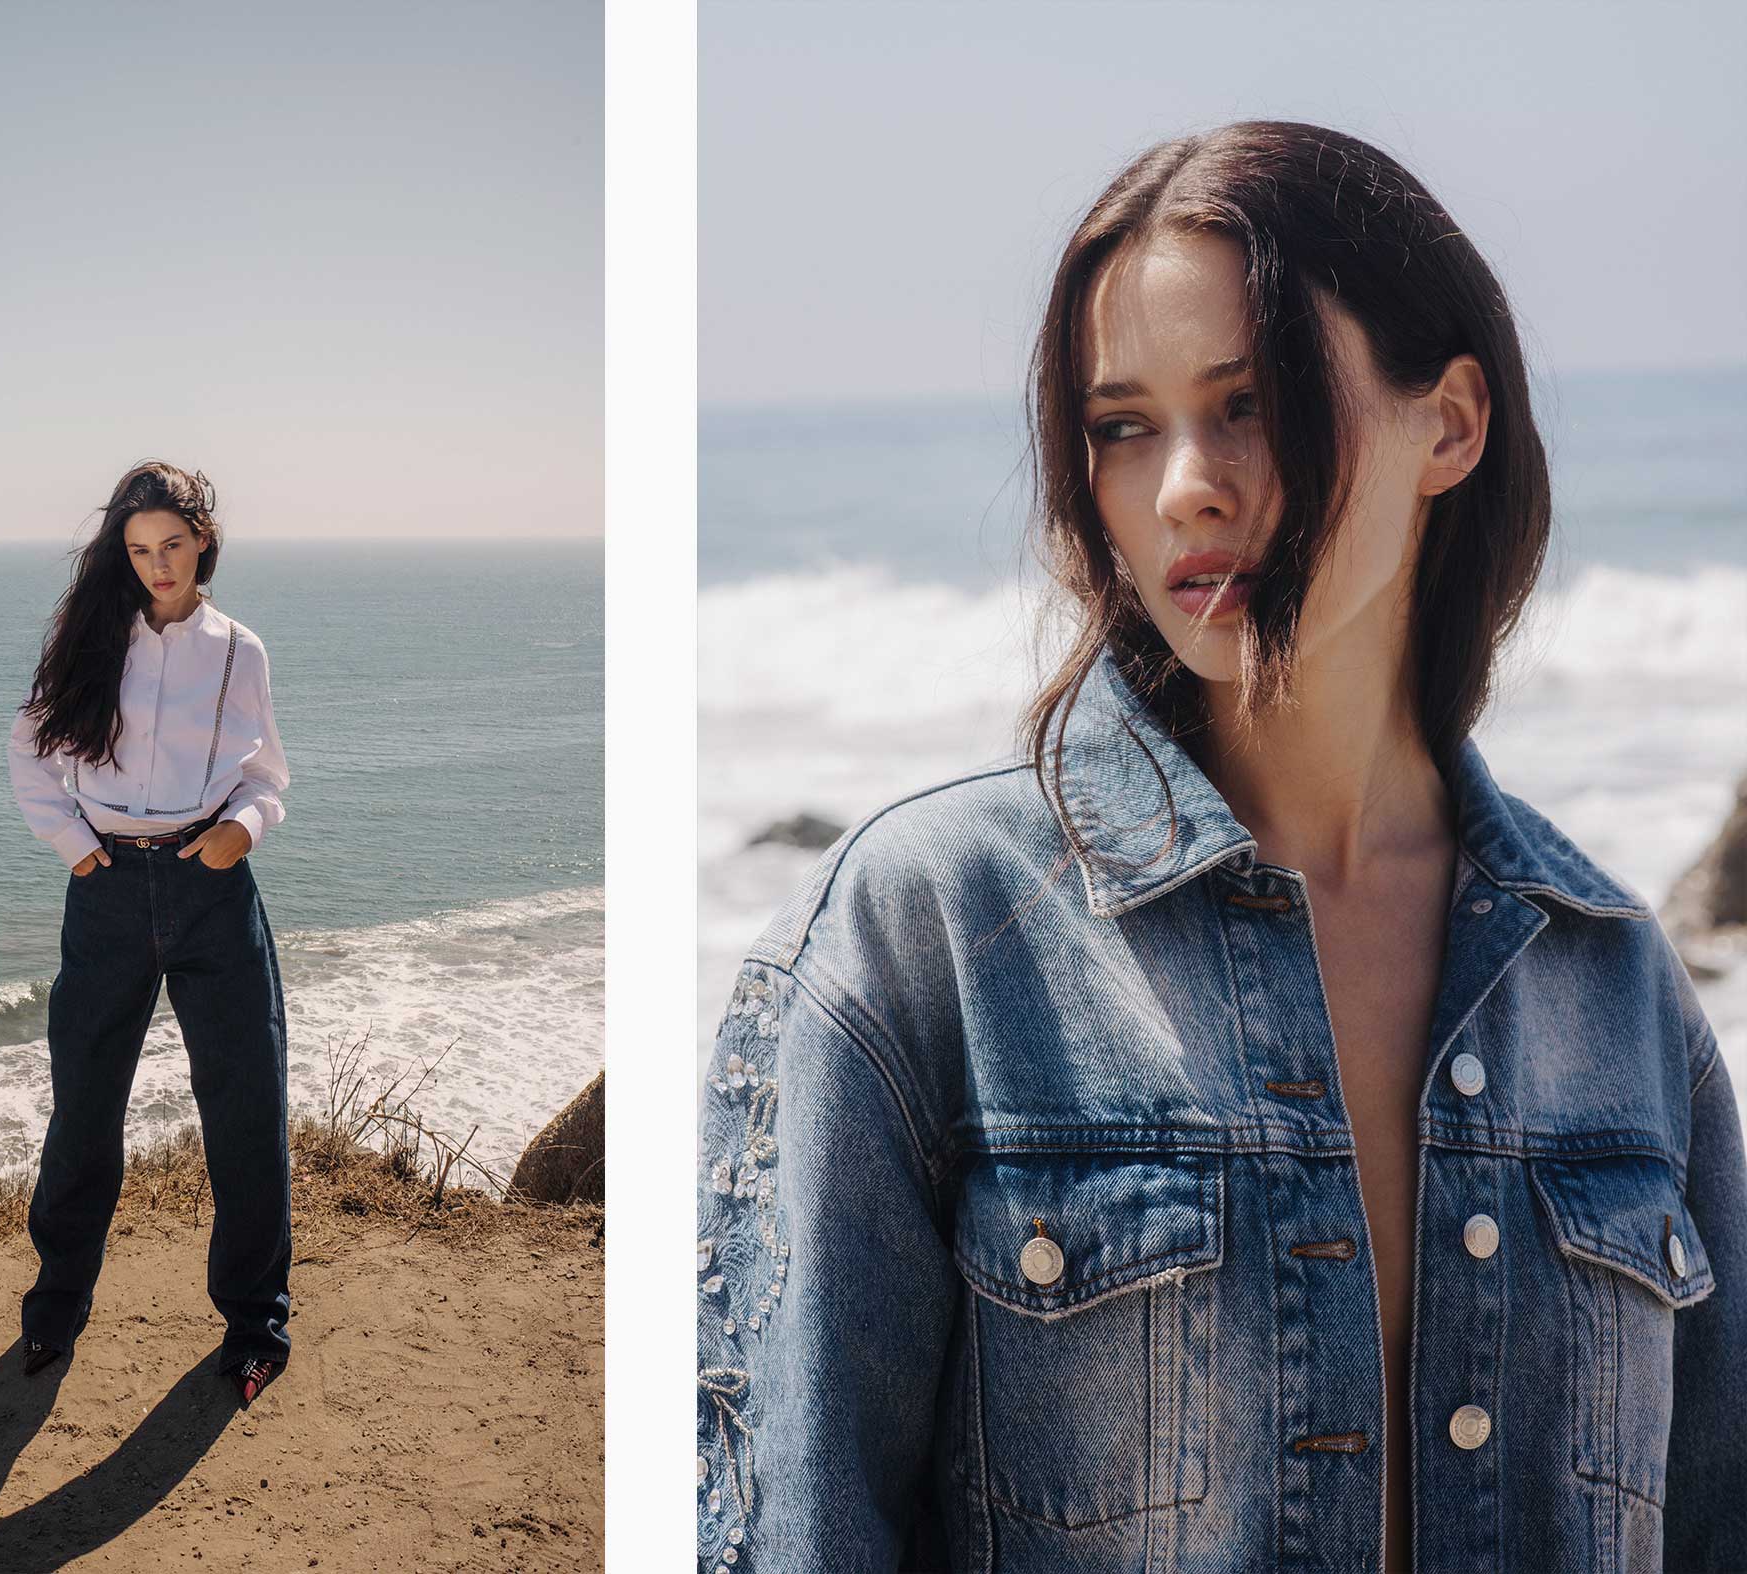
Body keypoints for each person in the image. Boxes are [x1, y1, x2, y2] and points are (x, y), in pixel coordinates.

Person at [695, 121, 1746, 1573]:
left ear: (1448, 424)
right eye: (1122, 424)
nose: (1183, 483)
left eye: (1248, 404)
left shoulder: (1617, 989)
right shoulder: (924, 938)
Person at [8, 459, 295, 1408]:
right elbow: (30, 752)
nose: (157, 564)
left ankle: (256, 1325)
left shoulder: (239, 651)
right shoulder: (91, 640)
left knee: (245, 1108)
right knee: (85, 1108)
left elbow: (266, 776)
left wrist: (237, 833)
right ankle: (55, 1309)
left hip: (212, 889)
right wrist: (76, 850)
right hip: (107, 894)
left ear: (203, 542)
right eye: (139, 550)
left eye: (172, 545)